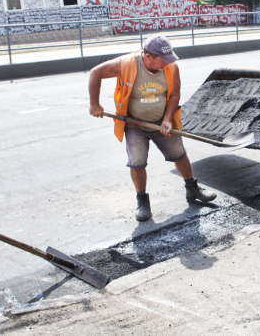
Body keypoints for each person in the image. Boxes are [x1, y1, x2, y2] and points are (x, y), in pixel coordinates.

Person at [88, 35, 216, 222]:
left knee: (179, 153)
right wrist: (94, 104)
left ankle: (192, 189)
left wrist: (167, 119)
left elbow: (175, 94)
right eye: (162, 60)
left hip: (161, 122)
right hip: (135, 124)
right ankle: (142, 201)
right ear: (148, 56)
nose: (167, 63)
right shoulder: (127, 64)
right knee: (137, 161)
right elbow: (95, 73)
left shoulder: (171, 66)